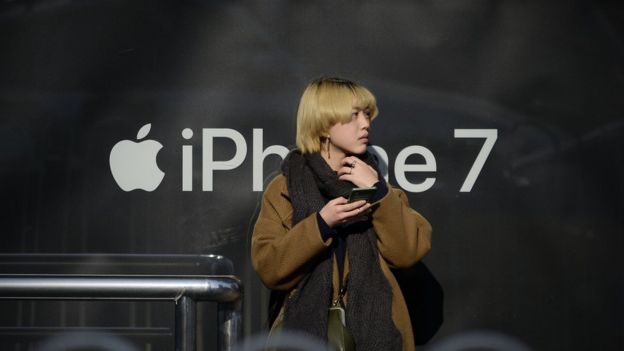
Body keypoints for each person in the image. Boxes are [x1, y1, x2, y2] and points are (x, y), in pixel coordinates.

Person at [251, 76, 432, 351]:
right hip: (303, 339)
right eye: (354, 115)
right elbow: (269, 267)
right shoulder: (285, 188)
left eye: (367, 114)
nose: (365, 124)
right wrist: (321, 224)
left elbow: (408, 252)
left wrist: (378, 191)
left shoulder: (381, 189)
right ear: (323, 124)